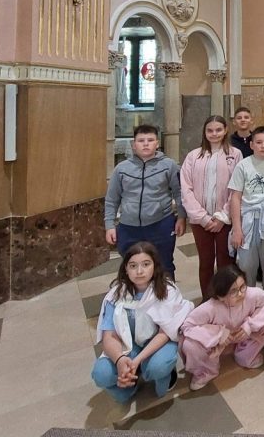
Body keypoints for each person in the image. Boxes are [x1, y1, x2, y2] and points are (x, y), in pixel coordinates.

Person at [91, 242, 193, 403]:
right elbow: (108, 335)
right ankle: (131, 379)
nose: (139, 271)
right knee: (101, 374)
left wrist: (137, 360)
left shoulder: (167, 291)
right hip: (128, 345)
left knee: (158, 368)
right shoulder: (116, 294)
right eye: (133, 266)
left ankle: (160, 371)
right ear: (125, 268)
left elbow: (165, 332)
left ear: (155, 266)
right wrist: (119, 360)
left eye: (146, 264)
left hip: (157, 343)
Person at [105, 124, 187, 279]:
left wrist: (182, 217)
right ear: (133, 144)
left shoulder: (168, 166)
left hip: (161, 224)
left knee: (164, 265)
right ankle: (137, 301)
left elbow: (179, 192)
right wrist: (109, 225)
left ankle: (166, 301)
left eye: (150, 140)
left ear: (157, 143)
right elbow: (111, 199)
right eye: (141, 140)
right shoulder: (121, 169)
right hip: (129, 227)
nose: (146, 143)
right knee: (133, 267)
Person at [179, 265, 264, 390]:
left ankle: (249, 350)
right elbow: (187, 326)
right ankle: (206, 371)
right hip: (218, 344)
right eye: (233, 291)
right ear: (221, 296)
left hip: (246, 337)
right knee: (189, 344)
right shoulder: (211, 307)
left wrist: (249, 326)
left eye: (243, 287)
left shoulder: (253, 294)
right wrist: (218, 334)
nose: (241, 294)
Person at [180, 115, 243, 301]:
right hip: (201, 221)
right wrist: (203, 218)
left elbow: (237, 188)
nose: (214, 134)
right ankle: (208, 301)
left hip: (225, 220)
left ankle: (227, 298)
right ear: (205, 132)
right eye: (210, 130)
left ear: (225, 131)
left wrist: (223, 216)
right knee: (206, 262)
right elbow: (186, 188)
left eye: (218, 130)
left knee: (225, 261)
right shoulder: (194, 156)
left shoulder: (235, 154)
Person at [228, 126, 264, 296]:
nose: (263, 146)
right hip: (248, 219)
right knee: (246, 266)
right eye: (259, 142)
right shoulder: (243, 165)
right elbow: (236, 197)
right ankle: (248, 301)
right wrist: (237, 229)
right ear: (252, 144)